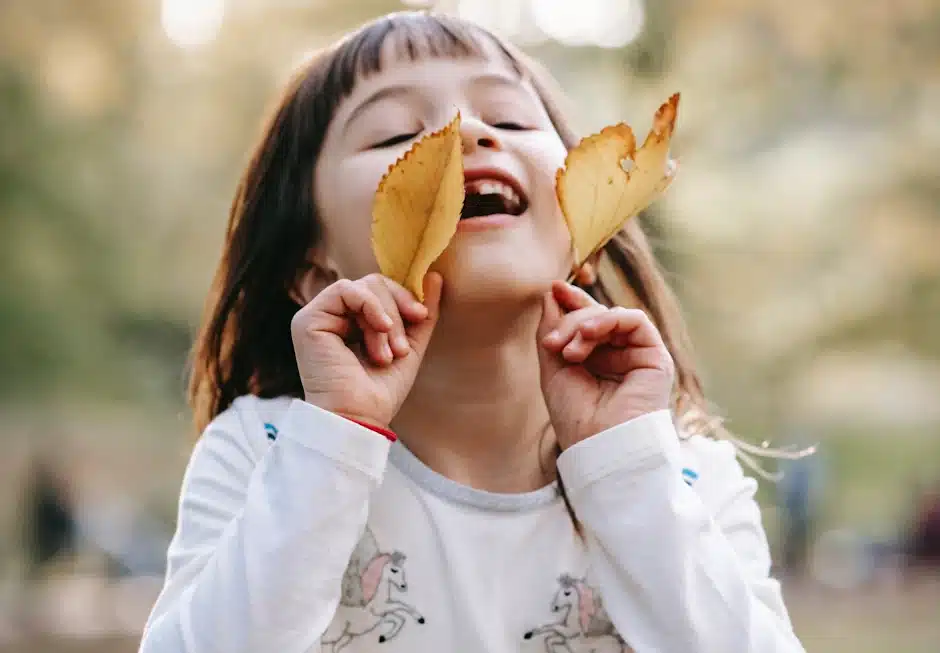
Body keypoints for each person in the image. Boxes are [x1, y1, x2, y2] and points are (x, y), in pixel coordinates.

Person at [139, 11, 804, 653]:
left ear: (589, 237)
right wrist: (335, 439)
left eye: (510, 117)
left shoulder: (682, 473)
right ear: (316, 275)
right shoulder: (267, 452)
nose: (468, 134)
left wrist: (623, 463)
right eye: (395, 135)